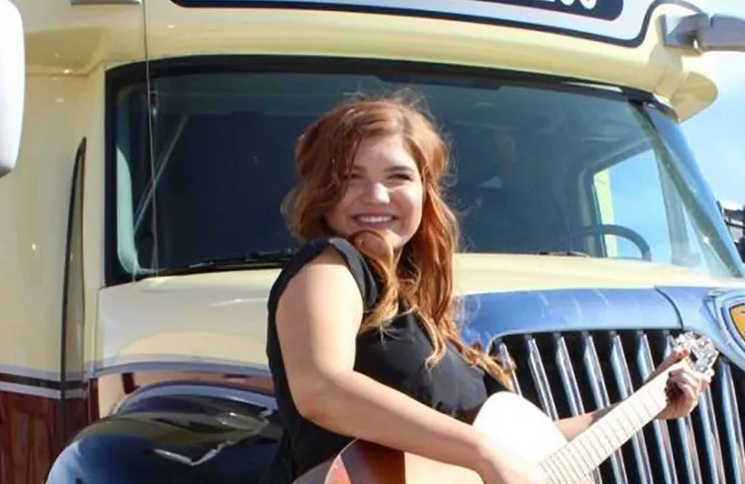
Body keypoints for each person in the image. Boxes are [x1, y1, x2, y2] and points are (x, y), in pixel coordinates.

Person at [260, 92, 712, 484]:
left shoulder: (422, 317)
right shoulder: (331, 264)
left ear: (424, 192)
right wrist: (483, 452)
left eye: (398, 177)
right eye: (351, 177)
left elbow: (528, 450)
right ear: (324, 191)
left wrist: (643, 404)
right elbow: (322, 389)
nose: (377, 196)